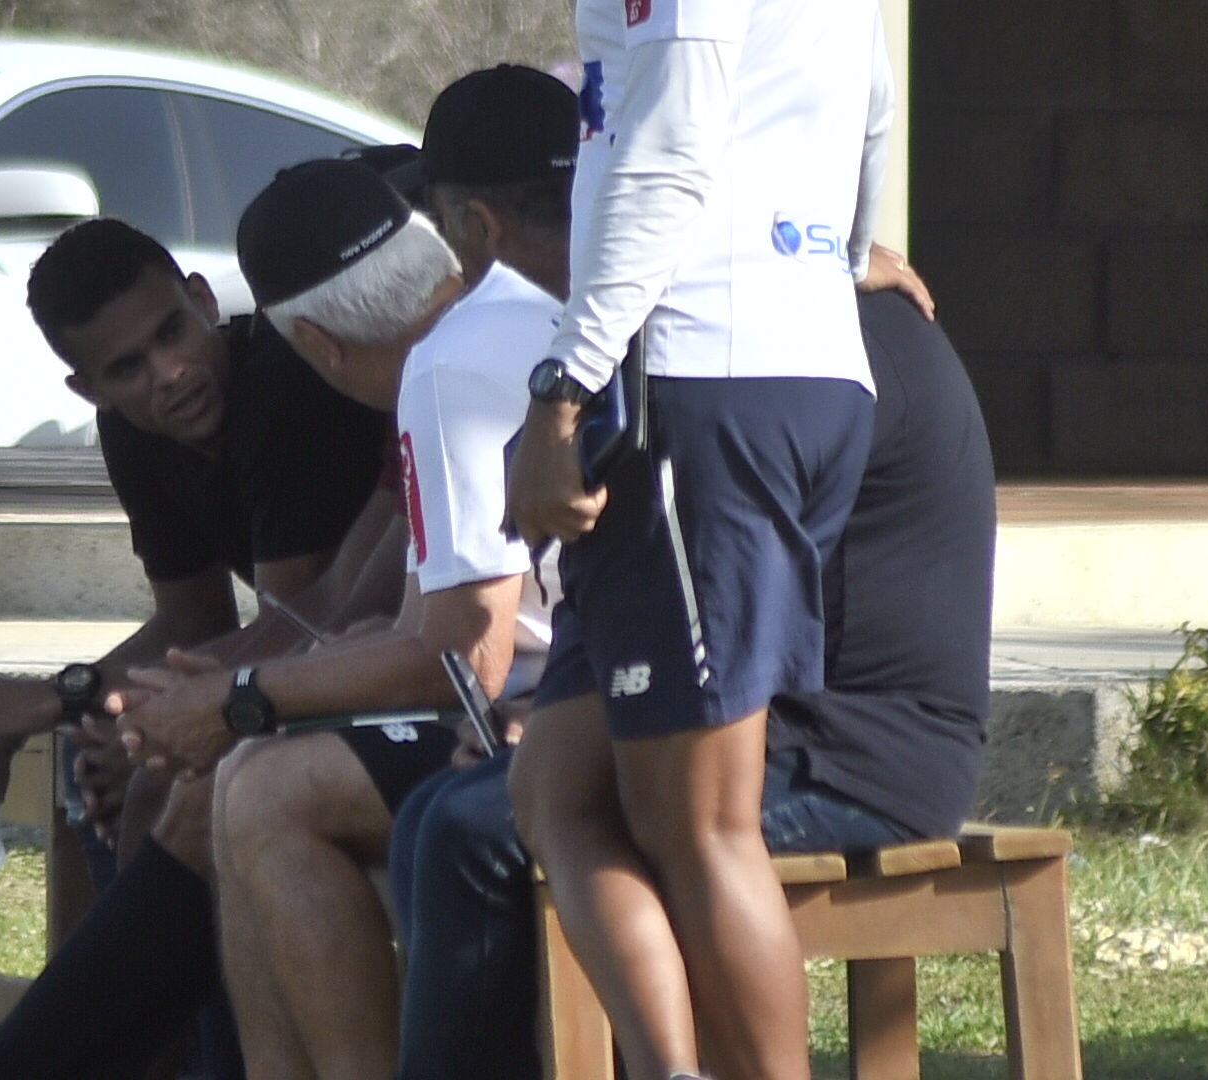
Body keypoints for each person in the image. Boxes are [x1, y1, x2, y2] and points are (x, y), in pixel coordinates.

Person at [0, 216, 402, 1080]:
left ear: (203, 302)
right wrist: (73, 696)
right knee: (104, 760)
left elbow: (301, 623)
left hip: (370, 671)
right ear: (86, 388)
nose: (168, 376)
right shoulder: (137, 434)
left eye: (173, 333)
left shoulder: (280, 390)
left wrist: (123, 705)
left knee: (156, 777)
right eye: (127, 368)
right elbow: (194, 620)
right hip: (314, 670)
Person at [394, 247, 983, 1080]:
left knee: (476, 832)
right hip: (779, 712)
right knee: (445, 812)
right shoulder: (762, 312)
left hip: (851, 749)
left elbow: (716, 598)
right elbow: (666, 598)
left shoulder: (750, 355)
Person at [112, 87, 574, 1076]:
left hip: (571, 715)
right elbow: (421, 626)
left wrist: (243, 695)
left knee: (267, 786)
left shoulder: (443, 369)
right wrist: (244, 696)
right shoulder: (500, 315)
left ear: (313, 345)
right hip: (587, 696)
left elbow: (463, 659)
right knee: (250, 773)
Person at [503, 1, 895, 1078]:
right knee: (559, 791)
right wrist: (840, 258)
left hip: (703, 375)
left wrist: (562, 390)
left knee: (701, 826)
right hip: (784, 360)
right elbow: (873, 110)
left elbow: (669, 153)